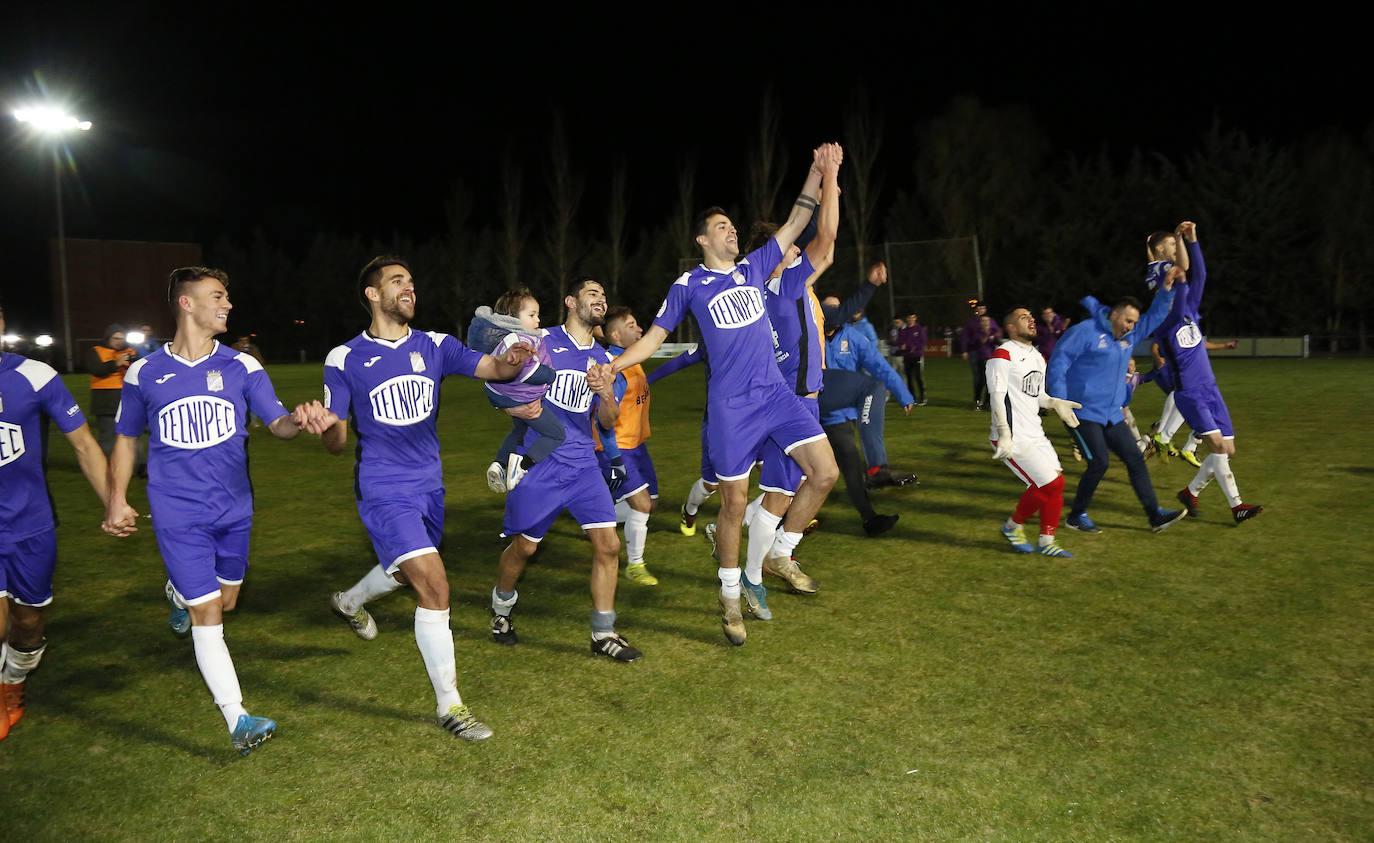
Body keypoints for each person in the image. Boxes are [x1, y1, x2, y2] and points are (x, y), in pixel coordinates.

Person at [606, 145, 841, 646]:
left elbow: (799, 221)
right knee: (733, 504)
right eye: (722, 227)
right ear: (701, 239)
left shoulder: (754, 268)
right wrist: (613, 364)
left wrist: (819, 173)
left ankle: (782, 550)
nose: (732, 230)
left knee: (825, 472)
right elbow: (650, 338)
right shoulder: (689, 284)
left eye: (734, 226)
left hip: (777, 396)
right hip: (732, 409)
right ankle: (731, 596)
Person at [103, 266, 322, 756]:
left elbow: (278, 425)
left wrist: (300, 420)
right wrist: (117, 498)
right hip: (177, 510)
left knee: (224, 603)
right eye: (217, 296)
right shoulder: (144, 372)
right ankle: (237, 717)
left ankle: (178, 593)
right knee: (208, 613)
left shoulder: (242, 366)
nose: (227, 305)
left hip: (234, 508)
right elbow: (125, 439)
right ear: (186, 303)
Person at [319, 256, 536, 741]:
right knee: (434, 586)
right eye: (398, 282)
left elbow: (494, 368)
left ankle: (349, 601)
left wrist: (515, 359)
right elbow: (335, 438)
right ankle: (451, 707)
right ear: (372, 295)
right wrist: (325, 427)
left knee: (402, 572)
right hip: (382, 487)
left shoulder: (436, 345)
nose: (408, 289)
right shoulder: (345, 357)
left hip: (429, 486)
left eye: (412, 282)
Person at [490, 277, 643, 661]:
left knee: (608, 545)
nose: (601, 299)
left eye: (605, 295)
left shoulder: (606, 359)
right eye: (593, 293)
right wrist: (509, 406)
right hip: (540, 462)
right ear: (571, 302)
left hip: (582, 464)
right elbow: (496, 375)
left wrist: (604, 392)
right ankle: (501, 607)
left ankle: (603, 633)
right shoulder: (542, 340)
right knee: (524, 547)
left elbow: (607, 421)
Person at [0, 304, 134, 741]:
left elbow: (83, 444)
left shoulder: (34, 376)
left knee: (27, 624)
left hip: (31, 527)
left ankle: (13, 683)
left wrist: (113, 502)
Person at [1046, 279, 1188, 534]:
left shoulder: (1129, 336)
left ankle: (1155, 516)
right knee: (1099, 462)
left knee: (1136, 460)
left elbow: (1154, 316)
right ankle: (1076, 516)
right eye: (1127, 321)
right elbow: (1059, 362)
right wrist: (1059, 400)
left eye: (1134, 323)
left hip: (1112, 413)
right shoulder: (1085, 331)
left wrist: (1167, 289)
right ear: (1114, 315)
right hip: (1081, 412)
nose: (1131, 327)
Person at [1148, 222, 1263, 525]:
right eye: (1170, 248)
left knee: (1229, 448)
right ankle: (1236, 506)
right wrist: (1180, 254)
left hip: (1211, 388)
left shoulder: (1189, 312)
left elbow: (1199, 274)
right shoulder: (1164, 318)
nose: (1175, 255)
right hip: (1191, 394)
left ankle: (1190, 492)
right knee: (1221, 447)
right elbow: (1181, 274)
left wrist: (1192, 240)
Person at [988, 308, 1082, 557]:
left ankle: (1046, 541)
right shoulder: (1002, 355)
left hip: (1035, 433)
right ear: (1009, 327)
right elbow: (996, 397)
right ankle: (1012, 526)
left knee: (1056, 485)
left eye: (1031, 316)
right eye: (1022, 317)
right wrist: (1004, 433)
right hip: (1013, 435)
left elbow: (1037, 395)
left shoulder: (1038, 357)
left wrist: (1054, 403)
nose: (1030, 320)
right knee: (1051, 483)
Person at [466, 288, 563, 492]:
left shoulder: (508, 335)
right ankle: (521, 466)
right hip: (520, 397)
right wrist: (551, 376)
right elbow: (528, 372)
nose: (538, 319)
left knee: (520, 428)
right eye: (531, 315)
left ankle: (499, 464)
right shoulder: (521, 339)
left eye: (537, 314)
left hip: (502, 394)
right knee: (555, 434)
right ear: (512, 317)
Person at [821, 295, 918, 490]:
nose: (834, 312)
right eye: (828, 308)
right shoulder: (808, 336)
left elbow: (881, 367)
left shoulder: (854, 338)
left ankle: (876, 472)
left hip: (844, 411)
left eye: (837, 308)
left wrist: (903, 395)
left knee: (846, 450)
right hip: (813, 406)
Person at [599, 305, 660, 587]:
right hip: (617, 447)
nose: (639, 329)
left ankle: (597, 517)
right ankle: (635, 565)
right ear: (614, 334)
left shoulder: (631, 360)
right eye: (632, 325)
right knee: (642, 505)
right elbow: (604, 418)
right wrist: (613, 456)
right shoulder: (612, 368)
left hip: (638, 446)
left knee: (651, 504)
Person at [84, 324, 136, 456]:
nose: (119, 342)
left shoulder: (131, 352)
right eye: (115, 338)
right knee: (107, 437)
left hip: (128, 400)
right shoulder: (95, 351)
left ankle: (138, 466)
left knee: (132, 435)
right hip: (105, 402)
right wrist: (116, 364)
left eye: (121, 338)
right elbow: (96, 370)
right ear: (108, 338)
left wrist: (134, 363)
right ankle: (106, 465)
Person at [960, 306, 1001, 409]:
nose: (986, 322)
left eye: (987, 320)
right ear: (980, 322)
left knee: (990, 381)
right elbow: (977, 341)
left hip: (991, 359)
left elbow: (998, 342)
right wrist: (987, 336)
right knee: (980, 380)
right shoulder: (978, 332)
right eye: (983, 320)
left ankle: (987, 402)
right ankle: (977, 400)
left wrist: (996, 336)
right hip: (980, 358)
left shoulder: (993, 331)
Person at [896, 312, 927, 406]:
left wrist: (911, 346)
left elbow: (922, 342)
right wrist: (905, 347)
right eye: (909, 318)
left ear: (916, 318)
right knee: (909, 378)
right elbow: (901, 342)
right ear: (907, 319)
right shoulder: (903, 330)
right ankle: (912, 398)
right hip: (907, 357)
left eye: (913, 318)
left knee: (918, 377)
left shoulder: (919, 329)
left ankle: (922, 397)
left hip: (917, 356)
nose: (911, 319)